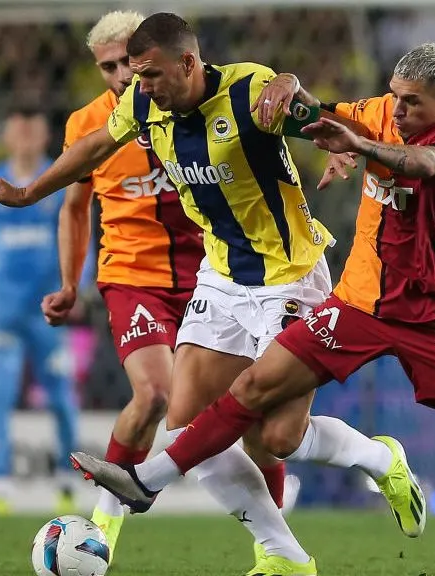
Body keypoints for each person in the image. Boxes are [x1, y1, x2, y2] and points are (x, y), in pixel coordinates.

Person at [71, 43, 435, 576]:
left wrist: (361, 145)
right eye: (396, 97)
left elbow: (421, 164)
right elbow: (312, 112)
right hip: (356, 303)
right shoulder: (376, 113)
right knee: (256, 397)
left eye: (413, 103)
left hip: (430, 311)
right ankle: (148, 485)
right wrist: (287, 82)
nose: (398, 110)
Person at [0, 13, 424, 576]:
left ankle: (382, 459)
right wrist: (28, 191)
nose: (142, 86)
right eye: (136, 75)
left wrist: (324, 122)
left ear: (188, 62)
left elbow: (322, 115)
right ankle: (284, 557)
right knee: (187, 427)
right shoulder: (144, 104)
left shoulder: (251, 90)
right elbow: (91, 150)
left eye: (151, 74)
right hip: (222, 281)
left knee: (277, 437)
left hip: (291, 276)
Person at [47, 11, 297, 562]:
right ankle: (103, 532)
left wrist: (287, 82)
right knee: (156, 395)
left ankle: (275, 549)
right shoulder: (94, 123)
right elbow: (74, 206)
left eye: (128, 65)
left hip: (216, 274)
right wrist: (69, 282)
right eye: (108, 67)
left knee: (260, 426)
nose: (120, 76)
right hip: (135, 275)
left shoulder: (187, 107)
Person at [0, 106, 79, 515]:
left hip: (48, 308)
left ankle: (68, 481)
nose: (24, 136)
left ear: (45, 135)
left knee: (59, 395)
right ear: (6, 136)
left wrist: (80, 287)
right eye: (17, 129)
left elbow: (80, 234)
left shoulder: (58, 180)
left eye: (32, 128)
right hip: (0, 307)